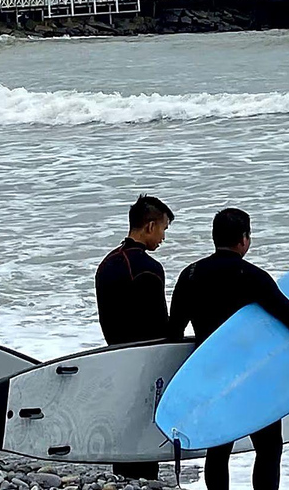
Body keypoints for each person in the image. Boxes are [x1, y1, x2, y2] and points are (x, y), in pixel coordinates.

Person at [169, 208, 289, 490]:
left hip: (211, 374)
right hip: (252, 375)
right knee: (268, 447)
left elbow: (174, 331)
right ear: (243, 239)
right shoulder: (250, 275)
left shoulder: (190, 274)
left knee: (218, 448)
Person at [95, 195, 175, 480]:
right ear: (150, 226)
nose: (164, 237)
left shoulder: (106, 264)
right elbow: (160, 324)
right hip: (144, 359)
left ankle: (124, 478)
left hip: (116, 355)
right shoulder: (149, 269)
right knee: (142, 430)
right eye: (164, 229)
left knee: (125, 427)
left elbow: (106, 317)